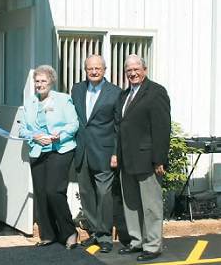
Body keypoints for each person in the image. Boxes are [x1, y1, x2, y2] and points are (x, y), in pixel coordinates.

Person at [116, 54, 171, 262]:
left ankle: (153, 245)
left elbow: (162, 128)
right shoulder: (124, 95)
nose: (133, 73)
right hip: (127, 160)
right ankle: (136, 241)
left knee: (151, 205)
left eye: (136, 69)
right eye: (129, 70)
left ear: (145, 69)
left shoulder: (156, 92)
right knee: (131, 204)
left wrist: (159, 160)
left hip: (148, 160)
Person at [18, 65, 79, 249]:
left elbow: (73, 124)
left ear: (51, 81)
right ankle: (48, 234)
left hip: (60, 149)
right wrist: (33, 136)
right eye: (37, 81)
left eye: (43, 81)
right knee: (41, 194)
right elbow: (22, 130)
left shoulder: (63, 99)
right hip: (38, 151)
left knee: (54, 191)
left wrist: (59, 135)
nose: (40, 84)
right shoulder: (29, 102)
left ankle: (70, 232)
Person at [71, 55, 122, 253]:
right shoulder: (77, 89)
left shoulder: (115, 92)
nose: (94, 72)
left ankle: (105, 236)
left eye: (98, 68)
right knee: (86, 194)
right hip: (81, 150)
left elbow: (119, 126)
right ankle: (93, 232)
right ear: (85, 69)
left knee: (104, 194)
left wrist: (116, 153)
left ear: (104, 69)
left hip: (105, 152)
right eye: (90, 68)